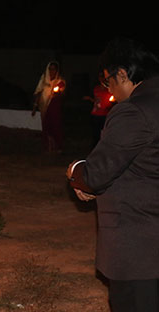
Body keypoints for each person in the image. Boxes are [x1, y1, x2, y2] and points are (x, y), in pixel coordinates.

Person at [67, 38, 159, 312]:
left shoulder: (134, 111)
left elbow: (95, 175)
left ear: (122, 73)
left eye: (109, 81)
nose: (110, 90)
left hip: (140, 252)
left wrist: (74, 170)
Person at [32, 61, 66, 153]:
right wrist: (35, 106)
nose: (52, 71)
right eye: (50, 69)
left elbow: (62, 93)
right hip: (44, 106)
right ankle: (47, 145)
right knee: (46, 125)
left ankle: (58, 146)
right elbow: (39, 92)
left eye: (54, 69)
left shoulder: (60, 81)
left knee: (55, 125)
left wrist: (57, 93)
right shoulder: (44, 79)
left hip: (54, 105)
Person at [83, 72, 115, 147]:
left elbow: (112, 100)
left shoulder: (109, 89)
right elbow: (96, 100)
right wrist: (90, 99)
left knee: (104, 134)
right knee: (95, 134)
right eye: (100, 77)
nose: (102, 79)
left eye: (103, 77)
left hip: (105, 114)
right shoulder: (96, 88)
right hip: (95, 114)